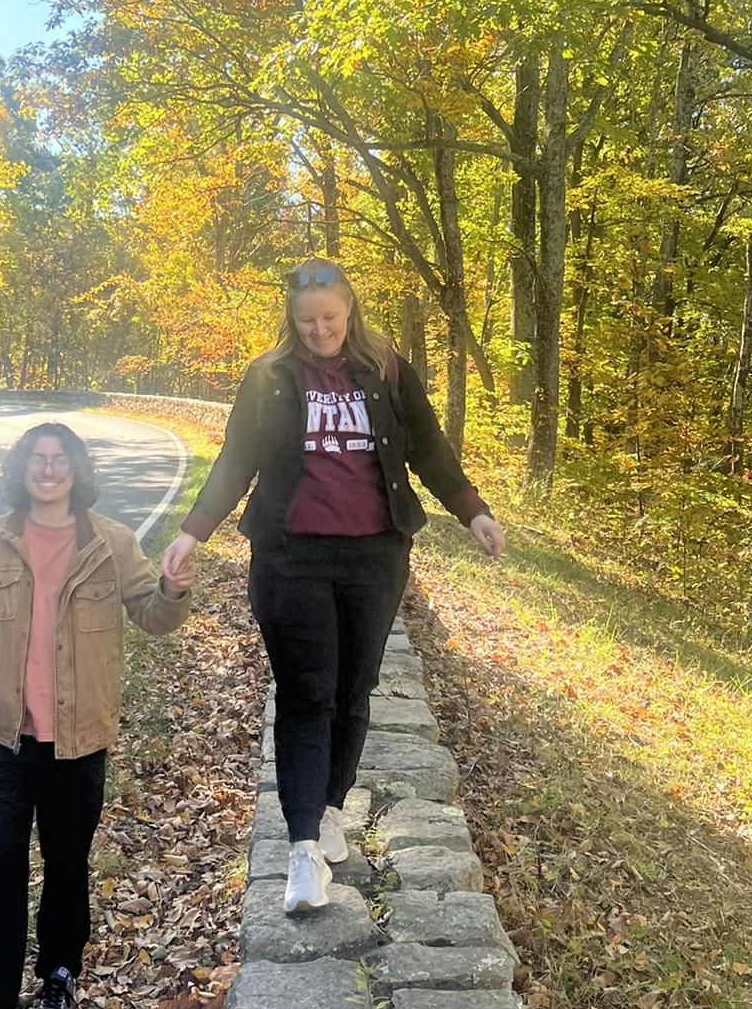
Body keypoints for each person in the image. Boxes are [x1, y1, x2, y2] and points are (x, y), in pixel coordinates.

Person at [160, 260, 503, 915]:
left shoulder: (386, 368)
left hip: (376, 555)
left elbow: (428, 448)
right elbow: (237, 458)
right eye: (307, 321)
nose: (320, 331)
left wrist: (473, 509)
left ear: (350, 309)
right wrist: (192, 532)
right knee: (306, 693)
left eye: (330, 318)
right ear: (290, 320)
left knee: (353, 691)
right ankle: (301, 850)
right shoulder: (269, 378)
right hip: (291, 557)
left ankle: (329, 806)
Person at [0, 422, 193, 1009]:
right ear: (21, 469)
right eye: (37, 460)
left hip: (78, 743)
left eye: (59, 461)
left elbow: (154, 616)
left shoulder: (109, 544)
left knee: (66, 864)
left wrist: (172, 587)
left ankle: (58, 976)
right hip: (0, 742)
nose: (48, 470)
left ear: (77, 471)